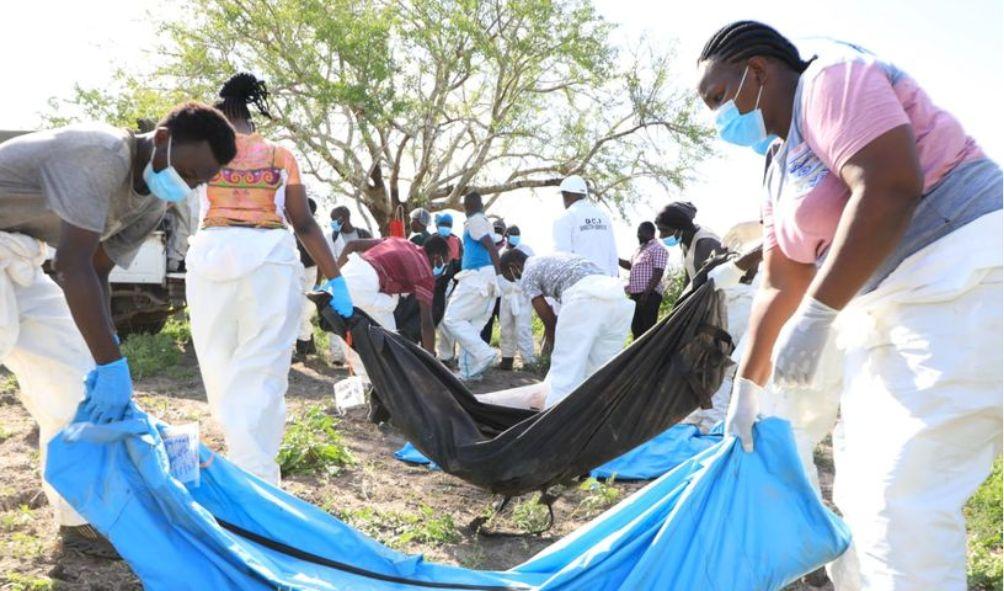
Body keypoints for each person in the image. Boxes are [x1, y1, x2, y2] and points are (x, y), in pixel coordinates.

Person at [697, 21, 1002, 590]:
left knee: (900, 501)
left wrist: (817, 317)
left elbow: (889, 186)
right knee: (862, 491)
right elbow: (778, 279)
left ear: (758, 72)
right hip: (894, 305)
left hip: (961, 278)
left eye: (718, 98)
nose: (717, 119)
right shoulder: (777, 162)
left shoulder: (830, 79)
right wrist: (748, 385)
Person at [0, 102, 237, 557]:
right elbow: (70, 264)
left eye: (197, 181)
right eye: (186, 170)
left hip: (20, 257)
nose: (186, 184)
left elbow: (96, 269)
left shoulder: (153, 200)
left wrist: (107, 361)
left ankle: (78, 521)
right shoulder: (100, 153)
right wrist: (112, 363)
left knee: (74, 385)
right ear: (163, 139)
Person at [186, 73, 340, 486]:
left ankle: (243, 457)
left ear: (219, 112)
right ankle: (258, 478)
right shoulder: (279, 154)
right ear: (252, 110)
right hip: (269, 261)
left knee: (219, 366)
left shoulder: (202, 152)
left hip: (210, 259)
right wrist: (336, 279)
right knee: (263, 369)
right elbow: (303, 222)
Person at [501, 250, 634, 407]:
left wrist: (551, 352)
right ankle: (594, 415)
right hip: (618, 300)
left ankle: (553, 419)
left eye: (512, 276)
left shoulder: (528, 272)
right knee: (599, 371)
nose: (517, 280)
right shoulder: (553, 257)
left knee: (564, 375)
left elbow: (549, 321)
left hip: (585, 298)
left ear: (514, 266)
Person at [333, 235, 448, 354]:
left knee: (359, 343)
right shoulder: (425, 273)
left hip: (346, 274)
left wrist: (333, 280)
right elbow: (427, 323)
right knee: (390, 349)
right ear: (436, 257)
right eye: (444, 262)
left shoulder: (399, 241)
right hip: (365, 287)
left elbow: (352, 244)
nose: (442, 268)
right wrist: (430, 359)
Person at [441, 191, 504, 380]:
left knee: (452, 319)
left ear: (466, 207)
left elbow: (491, 246)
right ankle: (469, 371)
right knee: (471, 327)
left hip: (477, 278)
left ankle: (485, 353)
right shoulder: (484, 221)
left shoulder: (475, 220)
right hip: (484, 278)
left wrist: (499, 275)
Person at [326, 205, 372, 364]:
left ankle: (360, 355)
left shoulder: (362, 234)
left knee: (359, 317)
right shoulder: (332, 236)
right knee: (336, 315)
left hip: (361, 281)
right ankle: (337, 356)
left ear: (344, 217)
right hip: (340, 280)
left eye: (335, 218)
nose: (333, 222)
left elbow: (372, 254)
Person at [552, 175, 619, 276]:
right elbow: (613, 253)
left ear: (566, 194)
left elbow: (562, 257)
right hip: (607, 283)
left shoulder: (565, 217)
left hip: (581, 284)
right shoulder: (602, 215)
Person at [654, 201, 724, 284]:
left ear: (680, 227)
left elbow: (714, 283)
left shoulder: (705, 244)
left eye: (665, 230)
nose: (661, 236)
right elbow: (690, 278)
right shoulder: (684, 242)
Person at [497, 225, 536, 370]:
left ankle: (529, 361)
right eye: (512, 234)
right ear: (506, 236)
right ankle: (507, 359)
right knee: (506, 327)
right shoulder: (502, 252)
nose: (515, 236)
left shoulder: (527, 249)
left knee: (523, 328)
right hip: (507, 295)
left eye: (517, 234)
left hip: (522, 295)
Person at [619, 222, 668, 338]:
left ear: (649, 232)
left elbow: (658, 272)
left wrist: (646, 294)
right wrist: (614, 257)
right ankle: (638, 355)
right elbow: (629, 264)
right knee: (636, 328)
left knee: (648, 330)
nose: (638, 235)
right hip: (636, 295)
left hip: (649, 295)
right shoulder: (639, 250)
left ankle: (650, 355)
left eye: (640, 232)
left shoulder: (658, 248)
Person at [433, 212, 462, 365]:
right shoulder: (432, 240)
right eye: (443, 225)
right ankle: (431, 353)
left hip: (450, 285)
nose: (445, 228)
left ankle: (447, 356)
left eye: (448, 226)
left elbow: (459, 265)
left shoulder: (456, 241)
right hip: (434, 286)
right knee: (433, 320)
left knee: (447, 321)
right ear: (437, 226)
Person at [294, 197, 320, 360]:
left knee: (304, 312)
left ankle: (303, 348)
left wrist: (318, 282)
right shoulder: (294, 229)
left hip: (311, 272)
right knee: (295, 311)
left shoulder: (312, 229)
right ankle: (304, 347)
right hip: (296, 272)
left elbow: (320, 257)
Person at [479, 218, 508, 344]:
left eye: (499, 230)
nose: (497, 233)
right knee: (485, 323)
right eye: (495, 229)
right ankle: (484, 350)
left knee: (505, 323)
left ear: (504, 233)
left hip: (503, 293)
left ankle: (507, 356)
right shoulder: (484, 248)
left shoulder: (506, 249)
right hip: (488, 291)